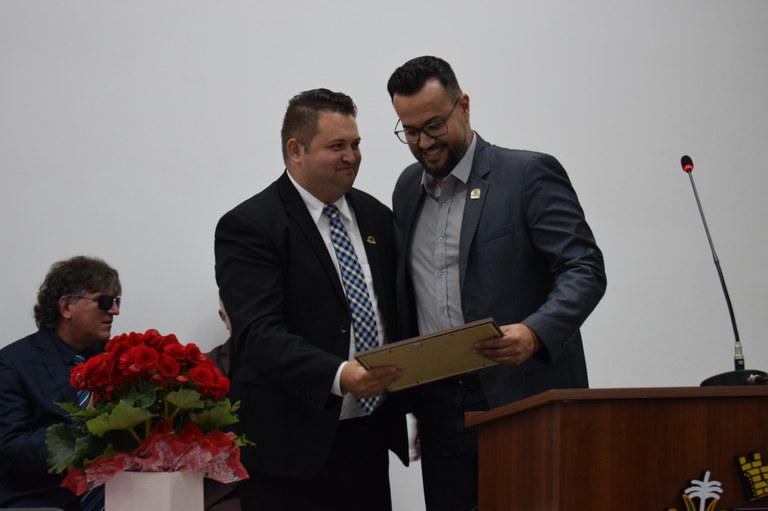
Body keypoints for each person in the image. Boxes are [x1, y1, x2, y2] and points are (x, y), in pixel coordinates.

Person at [386, 56, 607, 511]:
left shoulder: (527, 175)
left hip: (523, 396)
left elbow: (584, 267)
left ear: (464, 106)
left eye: (434, 125)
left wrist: (535, 331)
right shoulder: (407, 188)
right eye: (410, 131)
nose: (424, 143)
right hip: (440, 407)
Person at [214, 88, 409, 510]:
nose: (351, 157)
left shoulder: (376, 217)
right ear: (295, 150)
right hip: (289, 450)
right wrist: (339, 374)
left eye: (356, 144)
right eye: (336, 146)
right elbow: (259, 335)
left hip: (368, 438)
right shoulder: (250, 226)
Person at [0, 255, 121, 510]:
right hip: (42, 500)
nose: (114, 310)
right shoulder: (13, 364)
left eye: (116, 301)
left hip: (122, 495)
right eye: (105, 301)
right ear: (66, 307)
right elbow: (9, 450)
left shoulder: (120, 359)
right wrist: (84, 427)